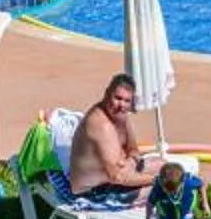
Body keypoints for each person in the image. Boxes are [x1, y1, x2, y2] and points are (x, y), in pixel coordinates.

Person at [67, 73, 163, 201]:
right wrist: (157, 180)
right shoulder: (101, 125)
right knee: (165, 186)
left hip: (116, 178)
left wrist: (129, 162)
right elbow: (117, 177)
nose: (121, 105)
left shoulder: (120, 115)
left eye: (127, 101)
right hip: (93, 192)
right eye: (117, 98)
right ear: (107, 94)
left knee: (162, 165)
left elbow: (133, 150)